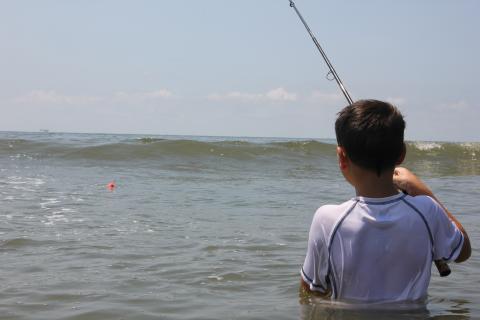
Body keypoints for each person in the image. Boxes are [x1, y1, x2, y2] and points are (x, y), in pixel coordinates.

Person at [300, 100, 471, 303]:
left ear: (342, 157)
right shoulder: (427, 210)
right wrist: (422, 191)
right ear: (402, 154)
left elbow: (310, 292)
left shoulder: (327, 219)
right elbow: (463, 251)